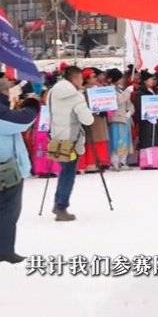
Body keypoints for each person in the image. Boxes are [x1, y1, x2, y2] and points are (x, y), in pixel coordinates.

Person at [0, 77, 40, 263]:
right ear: (2, 92)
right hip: (6, 167)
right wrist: (31, 104)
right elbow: (22, 121)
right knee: (9, 211)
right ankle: (5, 252)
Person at [48, 65, 94, 220]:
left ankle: (58, 203)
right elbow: (88, 120)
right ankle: (61, 206)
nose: (82, 81)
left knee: (64, 172)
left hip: (56, 136)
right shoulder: (76, 96)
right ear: (75, 78)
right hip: (71, 140)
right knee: (68, 174)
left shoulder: (53, 92)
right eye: (81, 78)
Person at [133, 71, 158, 169]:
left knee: (157, 140)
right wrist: (147, 116)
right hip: (146, 121)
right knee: (147, 140)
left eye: (154, 79)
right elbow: (139, 106)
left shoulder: (156, 91)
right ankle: (147, 162)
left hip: (157, 120)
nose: (153, 81)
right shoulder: (140, 93)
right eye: (151, 79)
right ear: (145, 81)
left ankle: (156, 161)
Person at [106, 68, 134, 171]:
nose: (122, 80)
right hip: (116, 118)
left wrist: (130, 111)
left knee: (125, 139)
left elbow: (129, 103)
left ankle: (123, 161)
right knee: (117, 139)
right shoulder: (109, 89)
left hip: (125, 117)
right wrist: (127, 92)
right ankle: (115, 161)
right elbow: (117, 100)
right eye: (120, 78)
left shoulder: (120, 89)